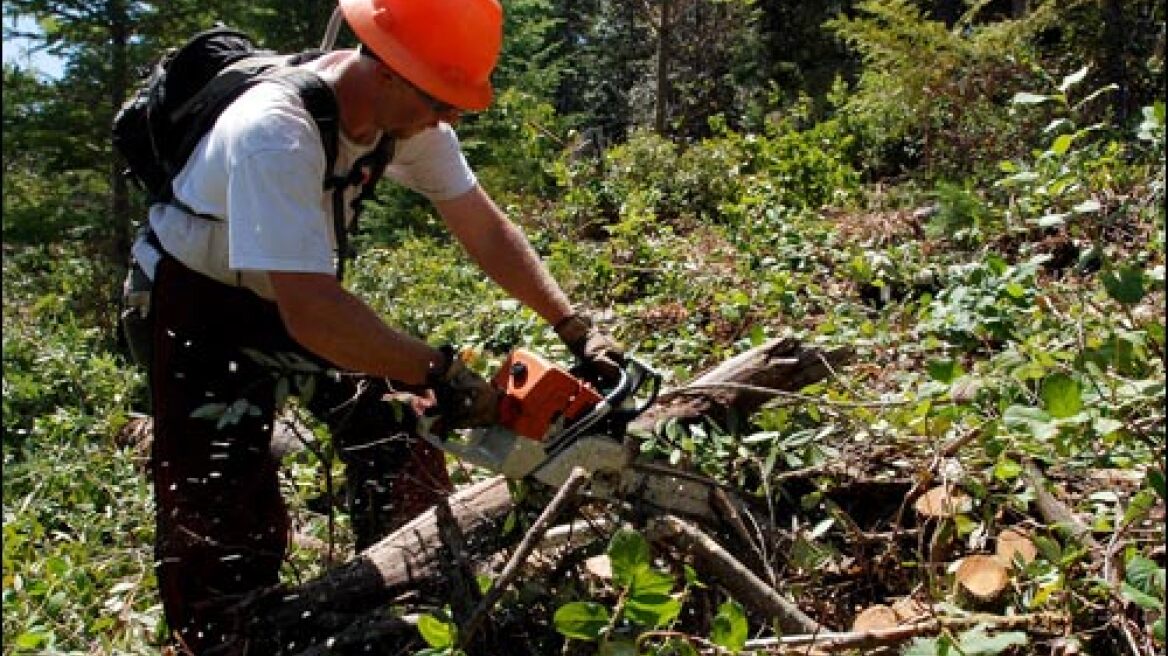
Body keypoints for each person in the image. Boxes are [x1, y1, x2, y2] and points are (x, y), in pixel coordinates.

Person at [122, 0, 623, 651]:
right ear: (387, 69)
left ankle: (416, 597)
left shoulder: (406, 124)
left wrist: (573, 324)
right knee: (221, 517)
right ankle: (228, 638)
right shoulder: (275, 131)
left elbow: (483, 228)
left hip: (290, 291)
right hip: (195, 306)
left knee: (402, 427)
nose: (447, 117)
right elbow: (313, 313)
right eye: (439, 99)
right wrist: (441, 369)